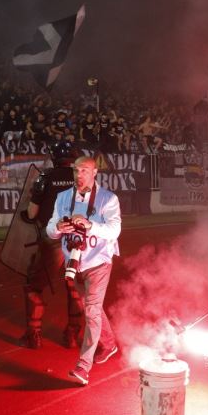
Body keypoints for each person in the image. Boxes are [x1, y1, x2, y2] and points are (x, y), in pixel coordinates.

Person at [46, 156, 121, 386]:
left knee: (90, 310)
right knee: (92, 307)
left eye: (85, 170)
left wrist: (90, 225)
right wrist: (58, 228)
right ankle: (109, 344)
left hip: (98, 262)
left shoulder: (108, 199)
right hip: (74, 263)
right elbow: (50, 229)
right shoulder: (63, 197)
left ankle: (83, 366)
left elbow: (114, 230)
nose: (80, 175)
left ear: (95, 172)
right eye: (77, 171)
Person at [20, 141, 85, 350]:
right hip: (78, 241)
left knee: (34, 286)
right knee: (75, 288)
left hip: (53, 239)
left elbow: (31, 213)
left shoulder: (45, 176)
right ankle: (73, 335)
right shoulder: (82, 177)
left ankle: (34, 335)